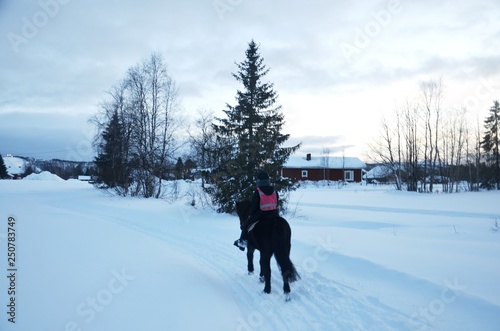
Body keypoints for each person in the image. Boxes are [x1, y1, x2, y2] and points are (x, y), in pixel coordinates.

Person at [234, 171, 279, 250]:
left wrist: (252, 214)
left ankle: (242, 242)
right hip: (274, 214)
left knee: (245, 226)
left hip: (262, 214)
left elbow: (254, 206)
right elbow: (276, 203)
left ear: (259, 181)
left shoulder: (258, 191)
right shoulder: (274, 191)